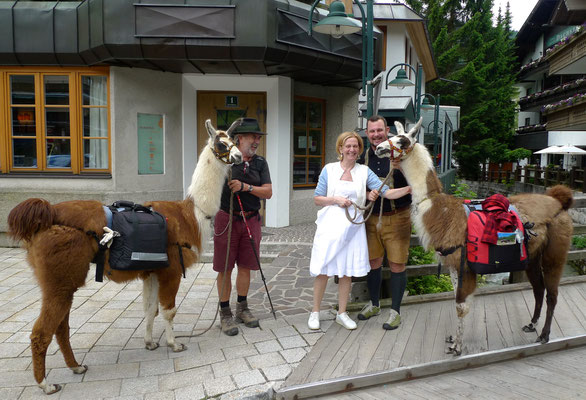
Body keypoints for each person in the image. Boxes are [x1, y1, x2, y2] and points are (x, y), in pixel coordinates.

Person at [308, 131, 411, 331]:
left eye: (355, 146)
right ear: (340, 148)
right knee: (323, 269)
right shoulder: (329, 170)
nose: (352, 150)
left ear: (359, 150)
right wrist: (335, 199)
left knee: (346, 271)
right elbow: (317, 198)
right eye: (348, 146)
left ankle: (342, 313)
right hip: (330, 226)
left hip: (352, 228)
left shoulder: (364, 172)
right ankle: (314, 312)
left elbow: (387, 192)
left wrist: (409, 189)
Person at [213, 117, 272, 336]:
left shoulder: (260, 163)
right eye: (252, 137)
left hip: (251, 219)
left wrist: (245, 187)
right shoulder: (226, 159)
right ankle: (225, 313)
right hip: (227, 218)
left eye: (258, 137)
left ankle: (242, 308)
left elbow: (268, 192)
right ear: (239, 139)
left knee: (245, 266)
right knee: (225, 267)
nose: (256, 141)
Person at [357, 115, 413, 330]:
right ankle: (374, 304)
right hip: (372, 217)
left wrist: (402, 168)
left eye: (379, 130)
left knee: (398, 263)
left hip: (398, 216)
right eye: (372, 131)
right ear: (367, 132)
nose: (376, 135)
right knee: (374, 262)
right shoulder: (363, 156)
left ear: (387, 130)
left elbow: (419, 179)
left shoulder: (403, 153)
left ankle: (395, 312)